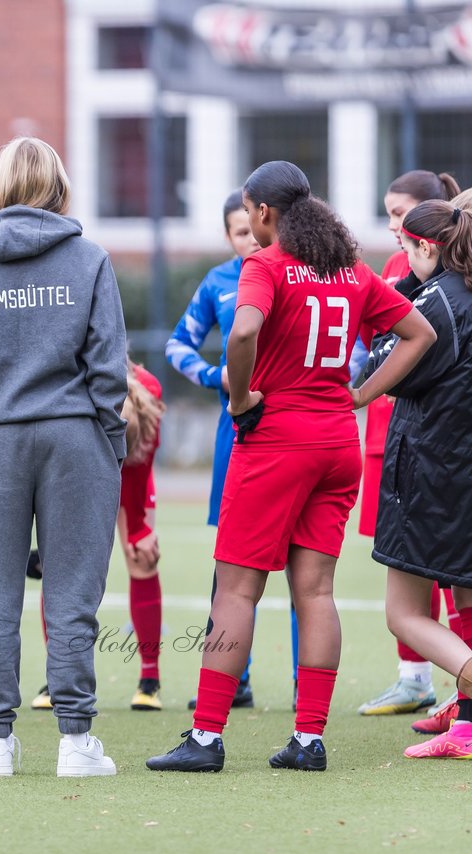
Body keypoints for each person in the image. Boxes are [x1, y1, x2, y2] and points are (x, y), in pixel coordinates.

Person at [146, 161, 435, 774]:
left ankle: (205, 738)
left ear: (264, 212)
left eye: (250, 212)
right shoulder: (349, 270)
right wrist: (360, 395)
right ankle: (308, 739)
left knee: (236, 588)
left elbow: (243, 330)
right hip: (336, 442)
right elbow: (419, 334)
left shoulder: (266, 264)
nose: (249, 224)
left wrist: (243, 398)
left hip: (276, 442)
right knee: (317, 591)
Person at [0, 136, 128, 778]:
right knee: (72, 596)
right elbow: (108, 365)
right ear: (59, 183)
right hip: (75, 435)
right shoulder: (89, 257)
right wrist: (111, 439)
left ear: (2, 184)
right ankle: (75, 741)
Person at [164, 190, 278, 712]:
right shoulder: (218, 284)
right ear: (228, 235)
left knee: (306, 566)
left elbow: (356, 351)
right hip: (237, 431)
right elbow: (176, 346)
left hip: (294, 427)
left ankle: (307, 683)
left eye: (253, 226)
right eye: (237, 231)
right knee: (231, 559)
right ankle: (235, 679)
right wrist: (216, 376)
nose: (249, 238)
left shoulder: (300, 274)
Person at [357, 170, 463, 719]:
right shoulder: (450, 289)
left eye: (401, 223)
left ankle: (462, 690)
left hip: (435, 467)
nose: (393, 232)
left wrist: (358, 391)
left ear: (428, 241)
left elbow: (391, 365)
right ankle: (463, 712)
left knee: (406, 609)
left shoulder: (439, 301)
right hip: (444, 462)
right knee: (462, 593)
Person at [29, 360, 166, 711]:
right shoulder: (72, 392)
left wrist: (139, 530)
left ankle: (150, 679)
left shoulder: (149, 395)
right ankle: (58, 676)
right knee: (60, 568)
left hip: (134, 473)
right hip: (81, 467)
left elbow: (141, 466)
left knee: (141, 557)